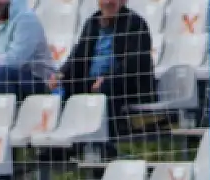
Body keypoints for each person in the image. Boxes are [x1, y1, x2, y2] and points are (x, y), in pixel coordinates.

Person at [51, 0, 157, 136]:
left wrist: (107, 78)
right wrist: (61, 74)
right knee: (67, 85)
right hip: (94, 81)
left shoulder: (135, 23)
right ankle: (65, 139)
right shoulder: (92, 22)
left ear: (123, 1)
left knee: (107, 87)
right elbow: (78, 55)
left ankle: (105, 141)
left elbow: (134, 64)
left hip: (124, 85)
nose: (107, 2)